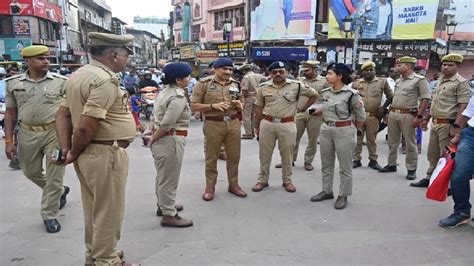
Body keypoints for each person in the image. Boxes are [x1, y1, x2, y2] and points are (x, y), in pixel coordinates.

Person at [54, 32, 139, 266]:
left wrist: (67, 149)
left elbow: (62, 114)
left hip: (91, 153)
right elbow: (85, 127)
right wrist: (73, 151)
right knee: (109, 211)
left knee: (95, 209)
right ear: (113, 55)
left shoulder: (78, 75)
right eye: (125, 55)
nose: (127, 60)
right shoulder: (104, 80)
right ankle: (106, 260)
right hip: (105, 153)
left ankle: (96, 254)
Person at [4, 45, 69, 233]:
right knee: (29, 171)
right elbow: (10, 114)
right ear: (28, 61)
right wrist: (9, 141)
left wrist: (68, 140)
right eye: (41, 58)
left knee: (55, 173)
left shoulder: (61, 82)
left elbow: (69, 112)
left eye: (47, 58)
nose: (46, 61)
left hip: (54, 134)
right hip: (26, 134)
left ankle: (49, 214)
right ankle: (60, 190)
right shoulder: (13, 83)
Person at [252, 61, 317, 193]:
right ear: (270, 74)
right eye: (274, 72)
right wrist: (257, 127)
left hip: (287, 124)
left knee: (287, 155)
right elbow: (258, 109)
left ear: (286, 72)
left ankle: (287, 181)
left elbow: (314, 95)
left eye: (281, 71)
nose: (278, 74)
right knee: (264, 154)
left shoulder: (297, 86)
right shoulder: (263, 87)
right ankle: (262, 180)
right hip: (267, 123)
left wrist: (303, 108)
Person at [309, 63, 365, 209]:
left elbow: (360, 116)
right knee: (326, 164)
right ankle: (327, 191)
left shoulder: (352, 94)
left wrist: (353, 130)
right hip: (326, 129)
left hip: (344, 130)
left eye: (330, 74)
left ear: (339, 76)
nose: (327, 76)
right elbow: (323, 106)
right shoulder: (326, 92)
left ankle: (343, 194)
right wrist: (317, 110)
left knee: (345, 166)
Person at [411, 54, 471, 188]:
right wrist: (426, 118)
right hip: (436, 122)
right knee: (432, 154)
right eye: (444, 65)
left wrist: (457, 126)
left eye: (450, 65)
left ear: (458, 66)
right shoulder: (440, 81)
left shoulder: (461, 83)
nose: (446, 67)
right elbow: (435, 102)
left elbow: (464, 106)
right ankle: (430, 177)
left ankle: (448, 184)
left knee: (446, 155)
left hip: (448, 124)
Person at [191, 57, 246, 201]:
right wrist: (212, 106)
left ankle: (233, 185)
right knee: (212, 157)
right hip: (213, 123)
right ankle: (210, 187)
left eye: (230, 69)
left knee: (234, 157)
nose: (228, 72)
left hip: (233, 123)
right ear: (215, 69)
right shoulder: (203, 84)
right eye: (224, 69)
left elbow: (242, 101)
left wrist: (240, 104)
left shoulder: (236, 84)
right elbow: (193, 105)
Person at [147, 63, 193, 228]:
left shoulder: (164, 93)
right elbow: (167, 124)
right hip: (170, 139)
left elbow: (154, 117)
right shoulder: (177, 97)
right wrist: (153, 139)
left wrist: (153, 137)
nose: (190, 79)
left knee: (162, 176)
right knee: (169, 179)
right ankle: (169, 214)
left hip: (164, 140)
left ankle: (164, 205)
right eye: (187, 76)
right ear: (178, 80)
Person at [379, 56, 430, 180]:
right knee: (392, 141)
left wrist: (419, 116)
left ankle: (411, 169)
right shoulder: (398, 80)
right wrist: (387, 112)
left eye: (399, 65)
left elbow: (426, 98)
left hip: (408, 114)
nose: (396, 67)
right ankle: (391, 164)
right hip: (394, 113)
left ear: (408, 66)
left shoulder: (419, 80)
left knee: (410, 143)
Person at [275, 61, 327, 171]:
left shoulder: (324, 81)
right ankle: (289, 160)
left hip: (315, 113)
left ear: (314, 69)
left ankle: (308, 161)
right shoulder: (299, 81)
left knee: (312, 140)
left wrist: (322, 109)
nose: (304, 72)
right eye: (303, 70)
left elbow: (329, 98)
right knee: (293, 138)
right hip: (299, 112)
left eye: (307, 70)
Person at [438, 93, 474, 228]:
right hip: (471, 135)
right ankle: (462, 212)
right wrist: (458, 134)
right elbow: (468, 112)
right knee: (459, 175)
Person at [352, 61, 393, 170]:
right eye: (366, 70)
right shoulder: (356, 83)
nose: (369, 72)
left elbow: (390, 96)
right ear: (363, 72)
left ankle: (373, 160)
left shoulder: (382, 82)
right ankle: (356, 159)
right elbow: (349, 97)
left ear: (375, 71)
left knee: (372, 139)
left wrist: (384, 108)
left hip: (373, 116)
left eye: (371, 70)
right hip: (358, 116)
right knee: (358, 139)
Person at [239, 64, 267, 139]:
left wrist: (242, 98)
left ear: (244, 70)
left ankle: (248, 133)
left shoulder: (246, 77)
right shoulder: (259, 76)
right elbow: (268, 79)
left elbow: (245, 89)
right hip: (257, 97)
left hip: (248, 98)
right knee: (254, 116)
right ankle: (254, 132)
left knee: (246, 116)